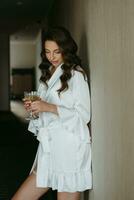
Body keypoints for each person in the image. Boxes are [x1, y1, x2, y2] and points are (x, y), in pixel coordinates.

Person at [12, 26, 92, 200]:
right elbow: (44, 111)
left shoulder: (76, 75)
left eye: (57, 51)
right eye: (47, 52)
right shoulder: (49, 74)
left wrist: (47, 107)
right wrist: (34, 109)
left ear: (66, 49)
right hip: (49, 149)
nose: (52, 56)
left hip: (69, 151)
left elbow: (84, 116)